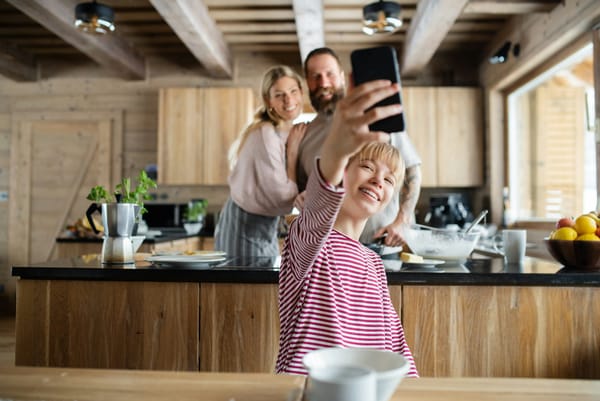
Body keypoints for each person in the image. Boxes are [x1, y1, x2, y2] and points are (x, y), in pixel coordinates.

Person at [275, 78, 418, 377]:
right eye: (367, 167)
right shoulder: (306, 239)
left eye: (390, 180)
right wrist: (337, 150)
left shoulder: (374, 265)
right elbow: (318, 204)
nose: (379, 180)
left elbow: (397, 349)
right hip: (307, 392)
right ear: (342, 174)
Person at [296, 47, 422, 247]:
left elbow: (412, 169)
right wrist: (303, 197)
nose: (323, 82)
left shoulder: (374, 113)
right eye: (315, 76)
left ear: (343, 77)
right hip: (332, 253)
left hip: (385, 244)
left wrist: (402, 221)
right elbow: (304, 190)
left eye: (329, 74)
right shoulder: (304, 135)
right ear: (307, 82)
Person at [214, 65, 307, 257]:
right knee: (243, 286)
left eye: (293, 91)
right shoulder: (266, 134)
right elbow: (282, 195)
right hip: (243, 224)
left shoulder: (287, 132)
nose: (288, 100)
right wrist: (293, 154)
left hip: (265, 225)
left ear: (301, 93)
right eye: (279, 95)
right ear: (268, 100)